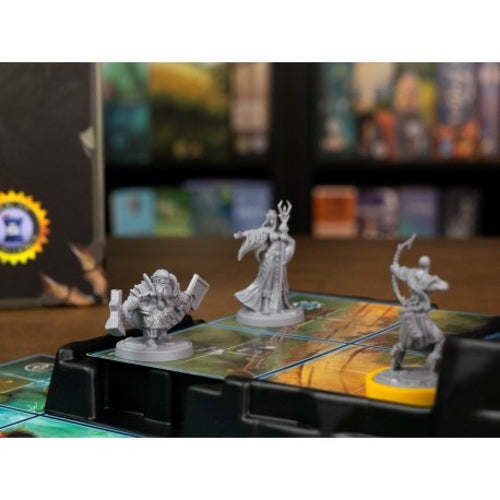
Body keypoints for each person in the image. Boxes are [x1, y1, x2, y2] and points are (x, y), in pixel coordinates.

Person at [391, 252, 449, 371]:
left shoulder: (410, 273)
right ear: (428, 265)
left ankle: (396, 364)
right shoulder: (428, 280)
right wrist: (434, 281)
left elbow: (396, 270)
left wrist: (394, 266)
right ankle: (433, 361)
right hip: (419, 315)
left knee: (404, 343)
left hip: (410, 312)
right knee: (440, 339)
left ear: (419, 264)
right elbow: (444, 286)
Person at [234, 202, 296, 315]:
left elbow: (291, 241)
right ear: (268, 220)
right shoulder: (266, 230)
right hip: (270, 258)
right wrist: (242, 234)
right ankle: (265, 306)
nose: (272, 221)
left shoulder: (279, 231)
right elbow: (255, 233)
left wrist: (287, 239)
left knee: (281, 282)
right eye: (270, 219)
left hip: (279, 261)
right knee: (267, 281)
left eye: (274, 219)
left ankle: (281, 304)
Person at [121, 269, 191, 347]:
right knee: (152, 320)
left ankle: (162, 335)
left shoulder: (169, 289)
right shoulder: (145, 289)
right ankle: (149, 339)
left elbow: (175, 297)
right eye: (162, 281)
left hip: (165, 312)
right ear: (156, 280)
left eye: (166, 281)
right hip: (151, 312)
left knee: (167, 318)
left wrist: (183, 298)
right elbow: (135, 300)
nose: (165, 284)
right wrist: (128, 307)